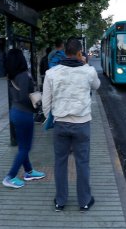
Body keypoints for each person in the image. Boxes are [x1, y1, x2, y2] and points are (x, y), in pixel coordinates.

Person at [42, 37, 100, 212]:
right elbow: (96, 86)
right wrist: (85, 64)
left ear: (64, 52)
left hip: (61, 124)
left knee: (60, 163)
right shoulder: (88, 71)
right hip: (82, 124)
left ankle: (60, 202)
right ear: (79, 52)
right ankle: (84, 201)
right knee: (82, 163)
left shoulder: (52, 73)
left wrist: (51, 120)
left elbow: (46, 102)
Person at [3, 48, 46, 189]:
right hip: (24, 114)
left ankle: (29, 172)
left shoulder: (11, 75)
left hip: (16, 112)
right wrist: (36, 104)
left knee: (23, 147)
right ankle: (10, 176)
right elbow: (23, 97)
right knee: (25, 148)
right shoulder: (23, 75)